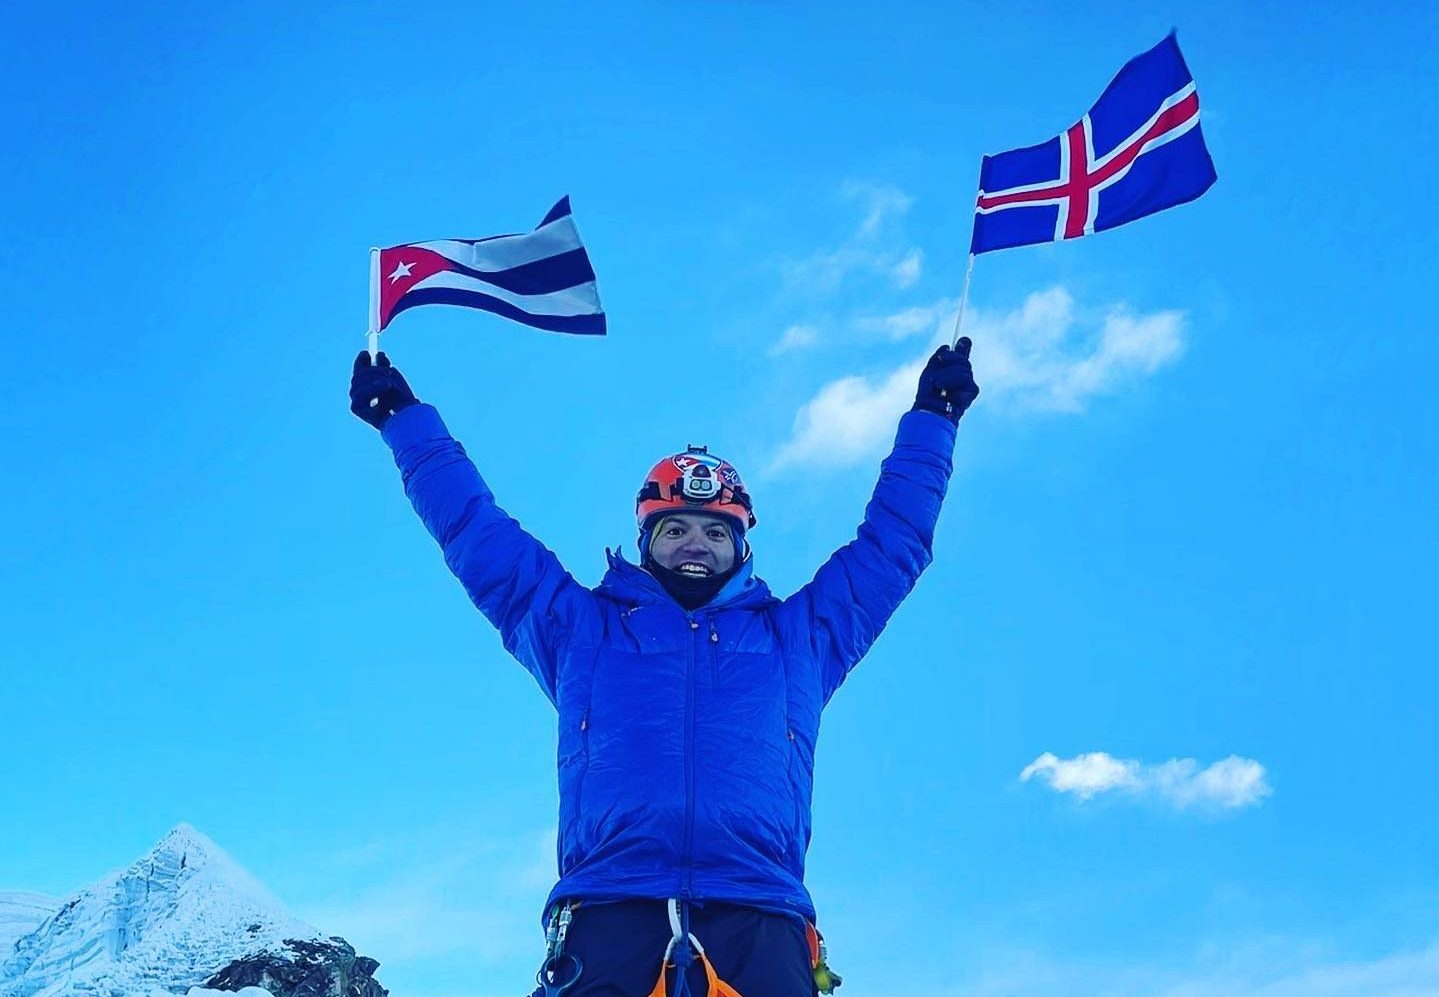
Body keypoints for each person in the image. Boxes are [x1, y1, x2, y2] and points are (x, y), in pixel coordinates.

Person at [350, 341, 979, 997]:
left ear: (740, 544)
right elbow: (476, 534)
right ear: (647, 538)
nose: (695, 545)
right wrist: (405, 421)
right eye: (675, 528)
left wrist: (932, 420)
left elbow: (892, 544)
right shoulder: (579, 630)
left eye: (714, 531)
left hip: (759, 911)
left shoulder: (799, 640)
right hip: (610, 907)